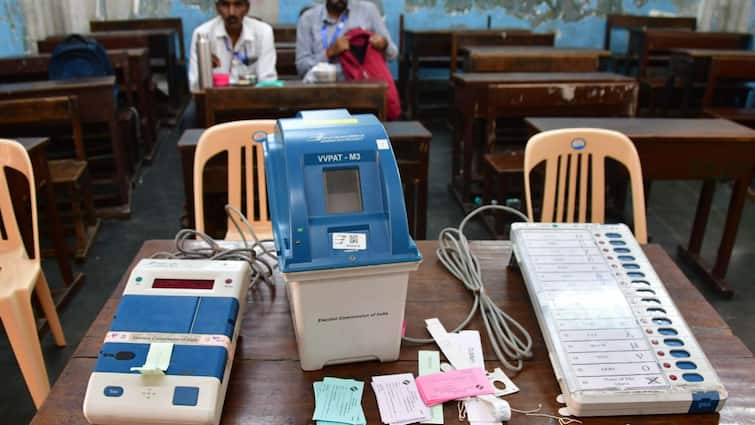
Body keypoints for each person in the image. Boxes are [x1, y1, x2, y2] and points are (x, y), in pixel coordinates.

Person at [295, 0, 397, 79]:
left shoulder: (368, 11)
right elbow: (301, 68)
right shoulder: (308, 19)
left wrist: (384, 45)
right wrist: (330, 52)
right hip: (320, 91)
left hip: (361, 89)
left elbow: (393, 54)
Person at [189, 0, 277, 89]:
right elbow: (195, 84)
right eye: (225, 5)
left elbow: (267, 81)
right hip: (214, 99)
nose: (231, 12)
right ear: (217, 8)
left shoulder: (263, 32)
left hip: (252, 99)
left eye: (238, 4)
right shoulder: (202, 34)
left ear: (247, 8)